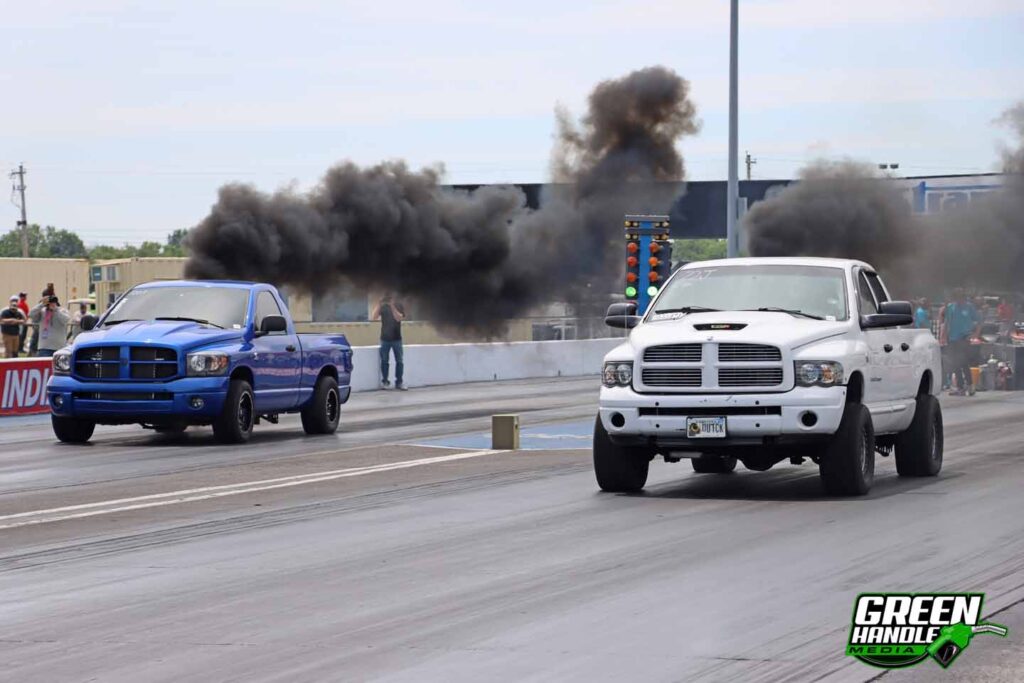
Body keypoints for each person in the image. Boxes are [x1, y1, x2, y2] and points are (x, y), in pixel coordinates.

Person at [945, 289, 981, 396]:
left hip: (964, 338)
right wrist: (943, 336)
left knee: (964, 363)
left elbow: (978, 321)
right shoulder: (951, 307)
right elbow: (947, 322)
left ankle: (970, 386)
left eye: (961, 297)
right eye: (957, 297)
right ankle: (960, 387)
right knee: (955, 364)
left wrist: (976, 334)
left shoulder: (969, 307)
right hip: (952, 339)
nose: (959, 299)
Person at [371, 293, 406, 390]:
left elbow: (399, 318)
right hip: (385, 339)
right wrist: (379, 303)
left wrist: (392, 306)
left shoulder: (399, 305)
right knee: (384, 361)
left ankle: (399, 382)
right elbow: (374, 317)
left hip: (397, 339)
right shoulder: (383, 307)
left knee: (399, 361)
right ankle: (385, 382)